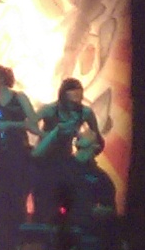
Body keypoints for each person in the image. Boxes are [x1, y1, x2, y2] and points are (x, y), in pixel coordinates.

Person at [31, 77, 102, 233]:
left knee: (65, 197)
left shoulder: (85, 112)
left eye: (78, 99)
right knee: (43, 199)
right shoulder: (50, 110)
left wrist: (88, 150)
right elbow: (30, 123)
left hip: (65, 158)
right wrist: (46, 135)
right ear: (64, 96)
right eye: (72, 99)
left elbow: (97, 136)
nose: (75, 103)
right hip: (45, 158)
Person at [0, 65, 36, 250]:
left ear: (2, 78)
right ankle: (2, 244)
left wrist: (11, 124)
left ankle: (18, 242)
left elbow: (33, 122)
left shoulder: (19, 98)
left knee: (17, 199)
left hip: (18, 154)